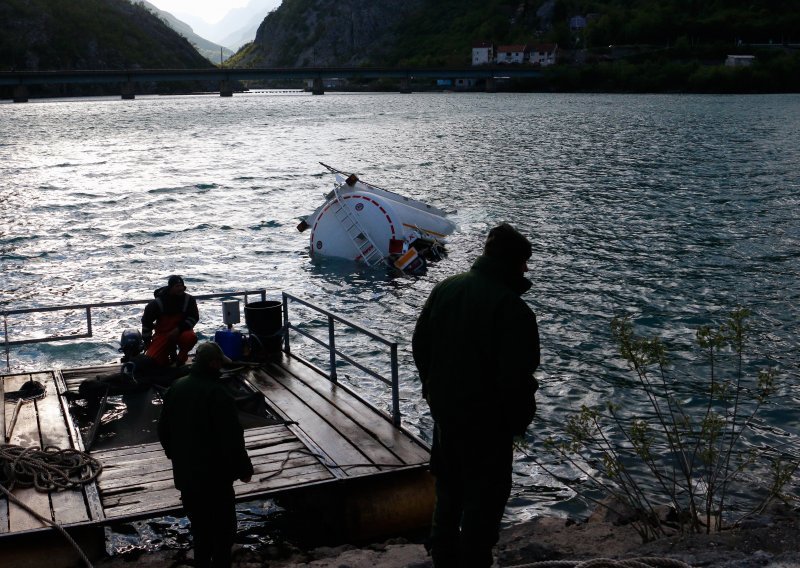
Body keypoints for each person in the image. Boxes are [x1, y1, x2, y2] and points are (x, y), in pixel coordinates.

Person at [412, 223, 541, 568]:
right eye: (524, 261)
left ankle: (442, 557)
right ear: (512, 262)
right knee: (485, 500)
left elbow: (420, 345)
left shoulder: (445, 288)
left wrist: (432, 390)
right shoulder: (512, 309)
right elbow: (517, 378)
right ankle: (475, 560)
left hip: (447, 415)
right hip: (488, 424)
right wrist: (516, 422)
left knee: (449, 489)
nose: (526, 269)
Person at [157, 341, 254, 568]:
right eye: (220, 364)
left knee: (200, 531)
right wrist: (244, 470)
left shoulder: (176, 387)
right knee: (223, 533)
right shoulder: (219, 393)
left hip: (187, 478)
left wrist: (176, 456)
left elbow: (163, 430)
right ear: (213, 363)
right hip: (215, 480)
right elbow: (232, 438)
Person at [141, 275, 199, 367]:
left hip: (181, 332)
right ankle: (166, 358)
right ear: (170, 288)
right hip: (163, 335)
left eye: (182, 287)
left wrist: (178, 329)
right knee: (152, 361)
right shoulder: (156, 303)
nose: (180, 289)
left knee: (190, 337)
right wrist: (147, 341)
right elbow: (146, 322)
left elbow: (194, 318)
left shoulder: (189, 300)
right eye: (177, 286)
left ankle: (180, 359)